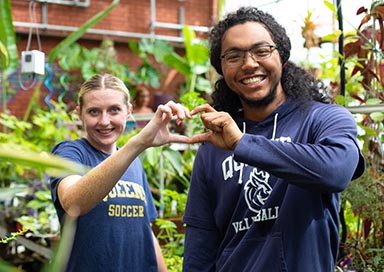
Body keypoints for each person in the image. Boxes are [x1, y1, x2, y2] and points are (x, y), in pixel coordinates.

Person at [182, 7, 365, 272]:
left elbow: (336, 171)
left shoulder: (323, 119)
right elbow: (200, 244)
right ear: (222, 68)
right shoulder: (214, 145)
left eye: (261, 51)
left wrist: (242, 144)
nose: (249, 64)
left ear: (283, 58)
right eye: (234, 56)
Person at [49, 73, 191, 272]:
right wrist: (138, 143)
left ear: (129, 111)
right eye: (94, 112)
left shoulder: (132, 162)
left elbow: (145, 230)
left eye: (114, 110)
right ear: (79, 113)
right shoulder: (71, 153)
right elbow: (73, 203)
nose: (104, 121)